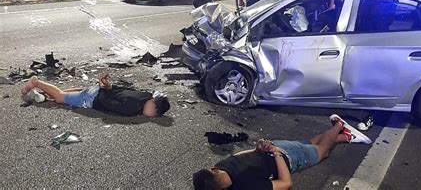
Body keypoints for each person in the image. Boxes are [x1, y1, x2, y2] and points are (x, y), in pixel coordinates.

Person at [193, 114, 372, 190]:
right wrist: (258, 149)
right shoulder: (221, 166)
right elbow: (238, 156)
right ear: (213, 170)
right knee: (310, 143)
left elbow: (286, 183)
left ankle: (339, 124)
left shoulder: (248, 187)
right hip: (274, 146)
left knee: (321, 151)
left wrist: (277, 153)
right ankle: (347, 137)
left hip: (285, 156)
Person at [20, 73, 170, 117]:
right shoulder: (131, 109)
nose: (151, 114)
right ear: (153, 104)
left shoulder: (145, 94)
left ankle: (42, 94)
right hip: (92, 98)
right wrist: (103, 88)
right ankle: (36, 82)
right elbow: (106, 103)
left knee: (66, 95)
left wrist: (106, 86)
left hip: (96, 90)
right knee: (60, 97)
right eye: (154, 111)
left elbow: (121, 89)